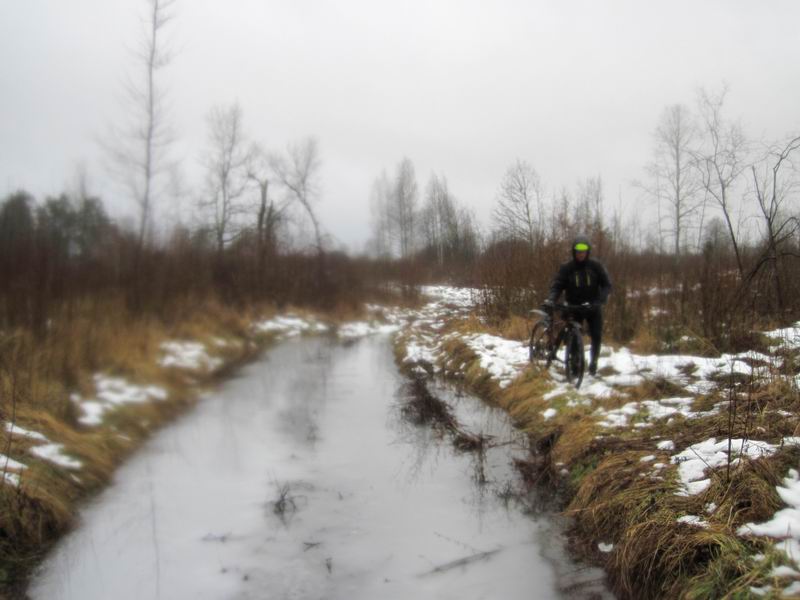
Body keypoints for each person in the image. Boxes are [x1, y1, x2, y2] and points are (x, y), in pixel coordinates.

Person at [544, 235, 612, 376]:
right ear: (574, 252)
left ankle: (593, 363)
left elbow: (607, 285)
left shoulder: (596, 266)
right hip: (573, 308)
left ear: (588, 252)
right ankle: (575, 366)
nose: (581, 254)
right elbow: (557, 285)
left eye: (584, 251)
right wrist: (551, 299)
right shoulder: (567, 268)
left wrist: (600, 300)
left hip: (592, 307)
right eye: (578, 251)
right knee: (573, 337)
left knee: (596, 335)